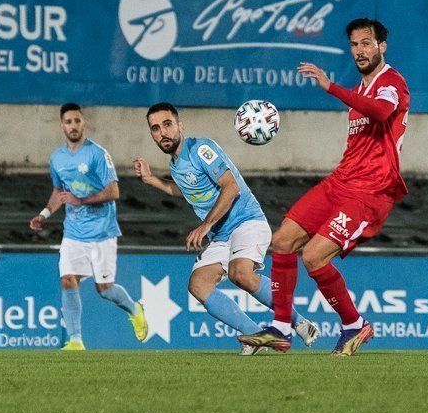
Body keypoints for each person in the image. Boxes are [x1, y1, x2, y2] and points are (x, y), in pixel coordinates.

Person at [239, 18, 409, 357]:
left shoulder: (391, 82)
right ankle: (281, 328)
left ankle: (354, 325)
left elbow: (380, 111)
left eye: (366, 43)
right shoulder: (359, 91)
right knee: (283, 240)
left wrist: (330, 86)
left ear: (381, 46)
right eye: (354, 45)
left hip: (370, 191)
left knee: (314, 255)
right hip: (341, 181)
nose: (359, 50)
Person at [134, 103, 318, 355]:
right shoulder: (176, 164)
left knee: (240, 273)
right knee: (198, 284)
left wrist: (205, 224)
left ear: (180, 126)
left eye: (167, 124)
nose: (162, 132)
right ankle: (256, 336)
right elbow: (184, 190)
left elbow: (231, 187)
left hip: (246, 221)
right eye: (155, 128)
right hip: (221, 235)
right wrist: (151, 179)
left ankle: (299, 323)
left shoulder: (201, 149)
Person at [30, 103, 148, 350]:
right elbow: (58, 191)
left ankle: (135, 309)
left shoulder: (97, 154)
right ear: (62, 126)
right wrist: (44, 214)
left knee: (104, 289)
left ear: (84, 124)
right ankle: (75, 341)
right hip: (73, 232)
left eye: (77, 121)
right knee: (67, 279)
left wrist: (81, 200)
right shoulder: (57, 158)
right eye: (68, 122)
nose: (73, 126)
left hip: (102, 232)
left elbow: (114, 191)